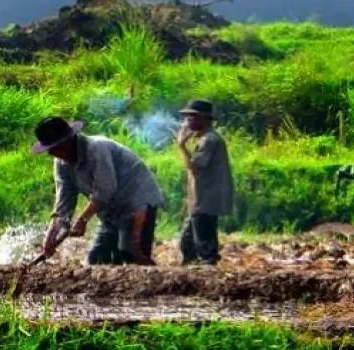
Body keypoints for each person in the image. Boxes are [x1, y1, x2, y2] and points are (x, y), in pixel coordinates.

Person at [32, 116, 167, 266]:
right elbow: (64, 199)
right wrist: (52, 231)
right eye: (50, 150)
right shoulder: (61, 163)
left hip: (138, 201)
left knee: (131, 253)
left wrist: (82, 219)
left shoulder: (97, 148)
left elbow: (105, 190)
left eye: (55, 148)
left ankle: (161, 280)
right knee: (97, 260)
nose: (52, 153)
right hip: (111, 211)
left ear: (67, 141)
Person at [176, 99, 234, 266]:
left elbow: (195, 168)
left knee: (204, 246)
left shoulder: (209, 140)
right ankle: (194, 272)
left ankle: (208, 272)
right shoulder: (206, 139)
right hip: (201, 200)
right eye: (187, 117)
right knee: (188, 244)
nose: (188, 121)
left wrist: (182, 146)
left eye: (192, 117)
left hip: (206, 201)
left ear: (205, 118)